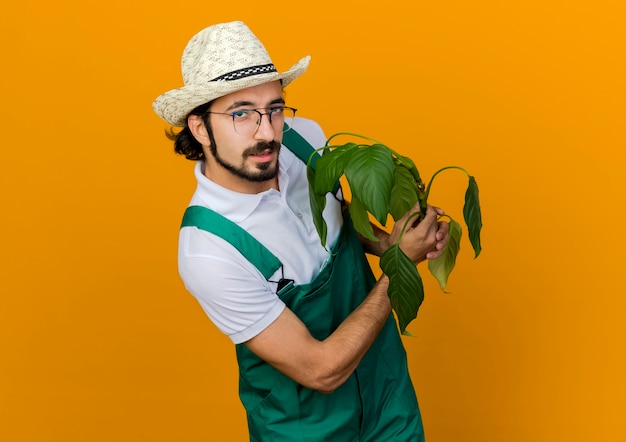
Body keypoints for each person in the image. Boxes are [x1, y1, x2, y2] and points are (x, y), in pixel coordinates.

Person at [153, 21, 449, 441]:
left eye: (274, 108)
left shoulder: (305, 140)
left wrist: (390, 243)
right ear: (199, 128)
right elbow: (320, 369)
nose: (267, 131)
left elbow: (335, 220)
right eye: (241, 113)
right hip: (305, 426)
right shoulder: (209, 250)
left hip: (385, 393)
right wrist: (399, 266)